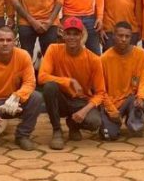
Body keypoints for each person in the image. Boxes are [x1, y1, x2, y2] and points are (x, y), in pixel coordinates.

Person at [38, 17, 105, 150]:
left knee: (95, 122)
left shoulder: (94, 60)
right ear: (63, 35)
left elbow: (100, 93)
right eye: (68, 34)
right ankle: (57, 131)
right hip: (61, 98)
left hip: (81, 101)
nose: (72, 37)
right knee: (50, 87)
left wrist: (84, 111)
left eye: (76, 34)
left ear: (81, 36)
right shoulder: (53, 49)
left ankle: (73, 124)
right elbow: (42, 77)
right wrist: (69, 81)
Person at [0, 26, 42, 151]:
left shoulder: (23, 56)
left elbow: (30, 82)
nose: (5, 43)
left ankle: (22, 135)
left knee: (36, 97)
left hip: (14, 101)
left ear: (14, 42)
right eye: (1, 40)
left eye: (9, 40)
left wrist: (17, 96)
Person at [100, 22, 144, 140]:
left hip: (131, 99)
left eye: (127, 36)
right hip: (112, 103)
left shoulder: (141, 54)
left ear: (131, 38)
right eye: (120, 35)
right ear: (113, 36)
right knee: (108, 136)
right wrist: (112, 112)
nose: (123, 39)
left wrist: (141, 97)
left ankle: (134, 123)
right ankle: (113, 124)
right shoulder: (104, 59)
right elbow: (101, 90)